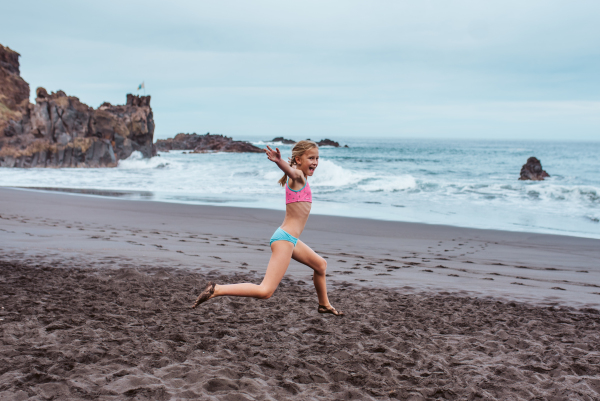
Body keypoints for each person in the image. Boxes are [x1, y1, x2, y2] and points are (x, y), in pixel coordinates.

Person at [191, 140, 344, 316]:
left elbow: (292, 172)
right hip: (285, 239)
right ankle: (217, 289)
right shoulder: (298, 178)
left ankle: (324, 304)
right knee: (265, 291)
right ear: (298, 160)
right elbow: (292, 172)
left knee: (320, 265)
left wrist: (283, 163)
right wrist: (279, 161)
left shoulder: (301, 180)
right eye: (311, 158)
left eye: (317, 158)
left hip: (290, 240)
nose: (315, 162)